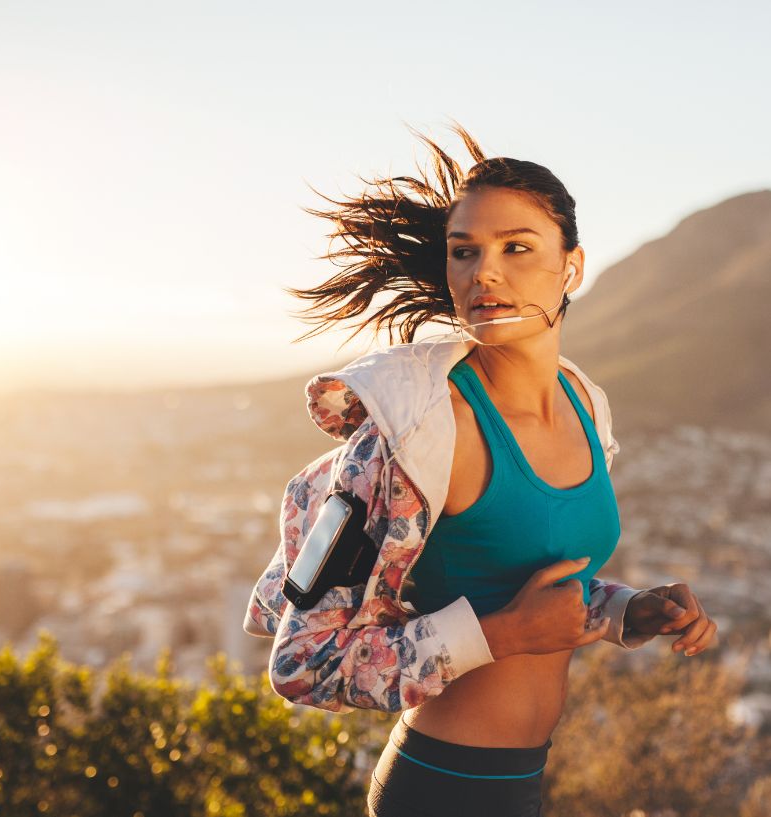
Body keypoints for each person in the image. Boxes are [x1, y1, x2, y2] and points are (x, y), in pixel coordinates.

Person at [243, 121, 717, 817]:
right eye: (464, 252)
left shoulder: (585, 404)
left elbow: (536, 574)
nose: (483, 273)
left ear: (572, 268)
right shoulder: (414, 434)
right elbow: (302, 661)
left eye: (516, 248)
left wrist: (625, 608)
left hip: (524, 779)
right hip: (437, 787)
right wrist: (507, 635)